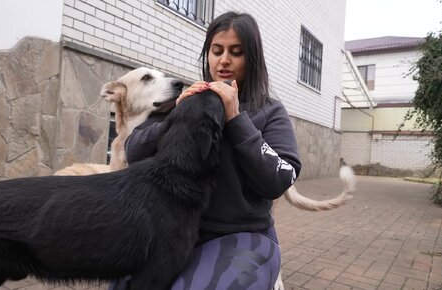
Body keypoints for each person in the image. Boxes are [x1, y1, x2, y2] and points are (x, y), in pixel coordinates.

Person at [110, 11, 301, 290]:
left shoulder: (269, 111)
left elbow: (280, 179)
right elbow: (134, 150)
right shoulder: (187, 102)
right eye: (216, 50)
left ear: (252, 58)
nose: (224, 60)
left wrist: (236, 119)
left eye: (236, 52)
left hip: (242, 234)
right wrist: (177, 115)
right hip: (173, 229)